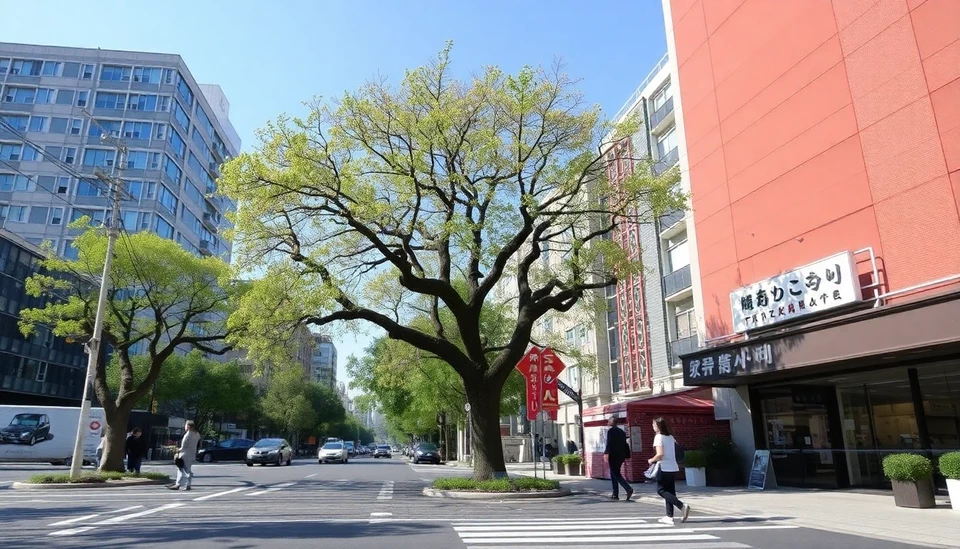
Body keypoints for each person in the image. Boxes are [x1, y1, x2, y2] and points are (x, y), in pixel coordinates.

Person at [648, 417, 690, 525]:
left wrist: (651, 460)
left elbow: (660, 454)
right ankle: (669, 516)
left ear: (658, 426)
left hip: (663, 467)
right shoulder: (670, 437)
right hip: (672, 467)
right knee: (670, 492)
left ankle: (681, 506)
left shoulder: (658, 437)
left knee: (661, 490)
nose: (652, 427)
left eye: (653, 425)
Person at [603, 417, 633, 501]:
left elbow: (609, 443)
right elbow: (624, 444)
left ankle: (628, 488)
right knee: (614, 474)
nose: (608, 422)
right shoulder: (622, 432)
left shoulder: (611, 431)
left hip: (613, 455)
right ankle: (615, 493)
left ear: (612, 422)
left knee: (615, 474)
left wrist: (606, 453)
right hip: (621, 455)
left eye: (609, 421)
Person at [169, 420, 200, 491]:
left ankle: (178, 484)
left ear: (188, 426)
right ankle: (188, 484)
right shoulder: (197, 434)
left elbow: (183, 446)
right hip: (192, 454)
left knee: (181, 469)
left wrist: (177, 450)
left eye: (185, 425)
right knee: (187, 469)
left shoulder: (188, 435)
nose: (185, 427)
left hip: (185, 454)